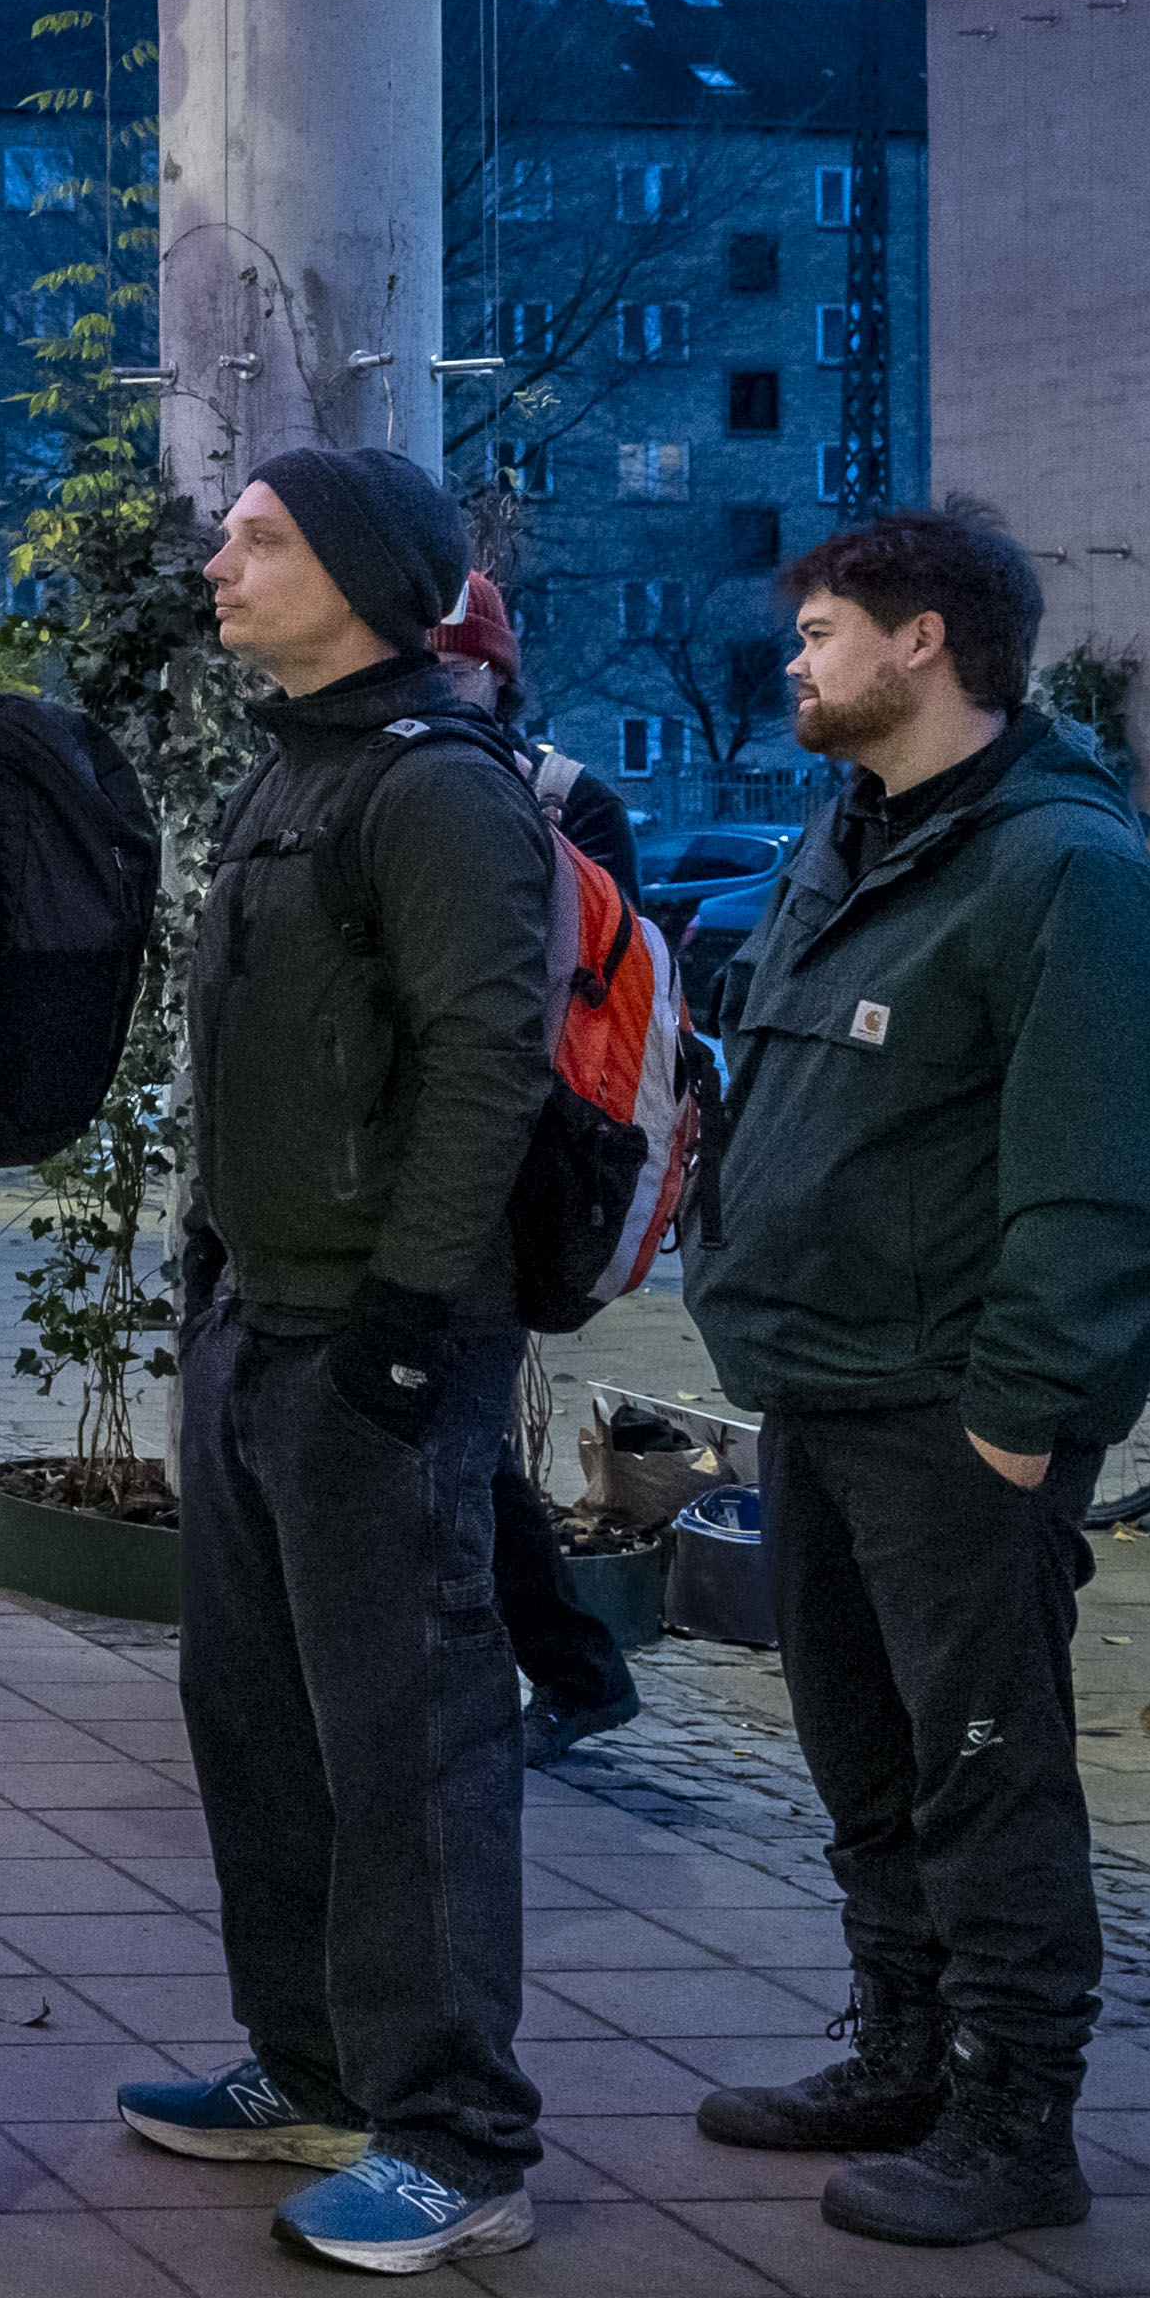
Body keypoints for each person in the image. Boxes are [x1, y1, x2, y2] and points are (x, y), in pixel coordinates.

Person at [677, 505, 1150, 2247]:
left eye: (821, 629)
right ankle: (901, 2052)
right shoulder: (852, 839)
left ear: (921, 642)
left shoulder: (1064, 871)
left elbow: (1103, 1175)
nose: (794, 659)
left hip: (950, 1415)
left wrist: (1017, 1417)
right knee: (864, 1753)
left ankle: (1014, 2117)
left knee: (983, 1768)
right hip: (818, 1382)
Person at [128, 448, 567, 2273]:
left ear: (367, 577)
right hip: (260, 1322)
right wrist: (214, 1276)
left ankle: (457, 2138)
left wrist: (404, 1317)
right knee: (255, 1716)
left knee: (409, 1742)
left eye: (261, 539)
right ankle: (313, 2067)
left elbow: (486, 1062)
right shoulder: (291, 772)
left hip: (376, 1347)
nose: (219, 564)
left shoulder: (435, 787)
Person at [427, 575, 651, 1764]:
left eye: (458, 666)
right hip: (452, 1159)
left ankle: (563, 1669)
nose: (439, 684)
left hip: (519, 1165)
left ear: (500, 676)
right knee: (458, 1437)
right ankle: (569, 1668)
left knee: (458, 1436)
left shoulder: (566, 799)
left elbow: (596, 991)